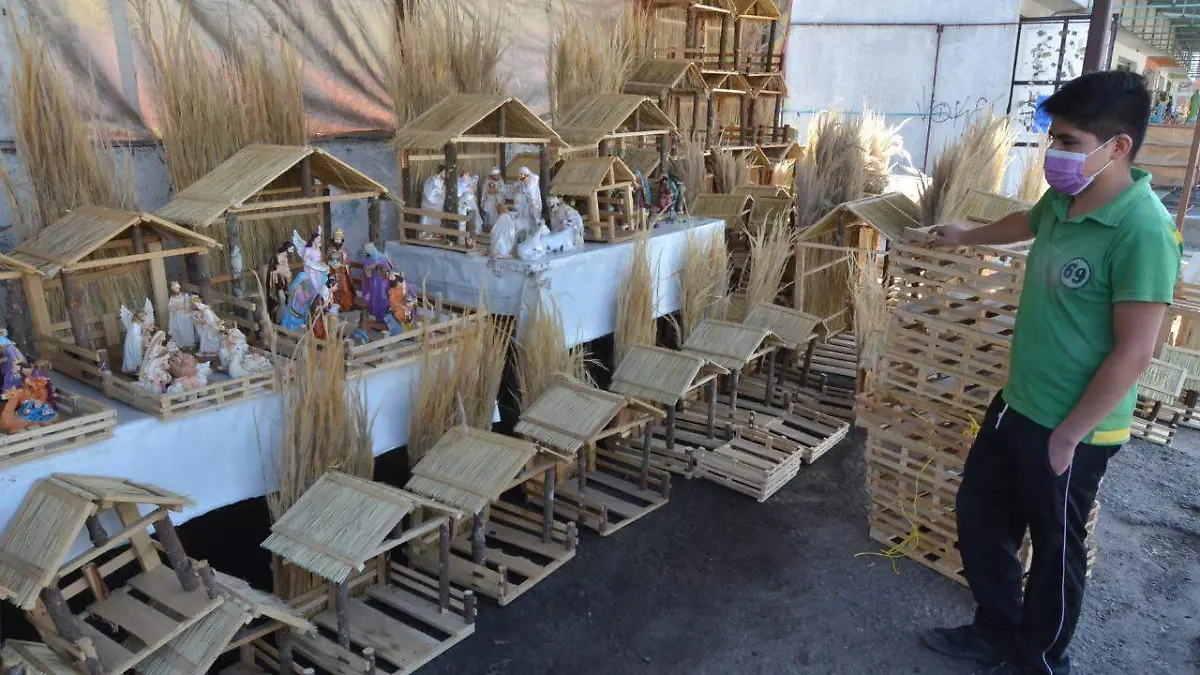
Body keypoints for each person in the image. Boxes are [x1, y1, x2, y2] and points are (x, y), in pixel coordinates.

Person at [922, 71, 1181, 675]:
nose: (1053, 154)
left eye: (1068, 142)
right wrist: (965, 237)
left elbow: (1136, 352)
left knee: (1055, 548)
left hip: (1073, 426)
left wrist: (1068, 436)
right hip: (1018, 401)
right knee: (981, 515)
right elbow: (1027, 222)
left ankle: (1038, 659)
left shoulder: (1143, 231)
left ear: (1118, 146)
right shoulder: (1066, 200)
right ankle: (995, 630)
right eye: (1053, 139)